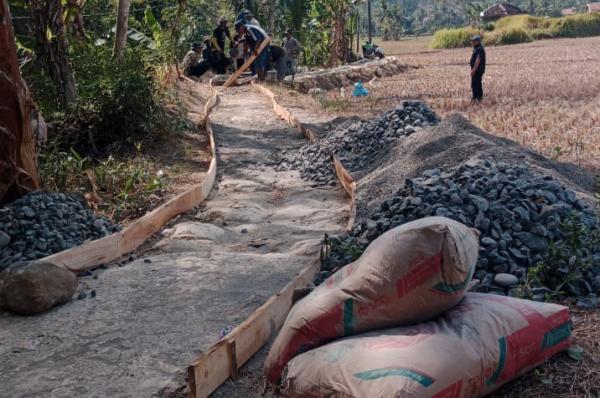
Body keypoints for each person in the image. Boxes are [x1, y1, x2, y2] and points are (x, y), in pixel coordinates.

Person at [470, 35, 486, 103]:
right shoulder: (477, 48)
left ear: (478, 42)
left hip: (477, 70)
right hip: (477, 70)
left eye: (473, 41)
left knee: (475, 84)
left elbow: (478, 60)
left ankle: (475, 98)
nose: (472, 42)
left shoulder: (479, 49)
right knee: (478, 84)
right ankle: (479, 98)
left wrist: (474, 70)